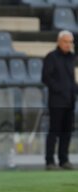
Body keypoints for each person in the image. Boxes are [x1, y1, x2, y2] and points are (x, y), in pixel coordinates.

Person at [42, 30, 77, 170]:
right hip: (56, 101)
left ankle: (64, 159)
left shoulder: (73, 58)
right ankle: (49, 161)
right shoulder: (51, 57)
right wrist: (60, 90)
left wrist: (73, 90)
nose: (68, 44)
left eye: (70, 42)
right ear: (59, 41)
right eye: (66, 41)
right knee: (54, 131)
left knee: (67, 131)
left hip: (70, 100)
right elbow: (46, 78)